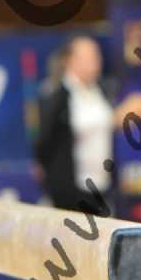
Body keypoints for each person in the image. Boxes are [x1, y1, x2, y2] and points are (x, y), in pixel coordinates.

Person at [34, 36, 116, 212]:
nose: (96, 61)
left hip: (101, 185)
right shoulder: (56, 95)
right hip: (71, 189)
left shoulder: (101, 91)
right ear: (70, 60)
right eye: (89, 57)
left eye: (97, 55)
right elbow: (44, 141)